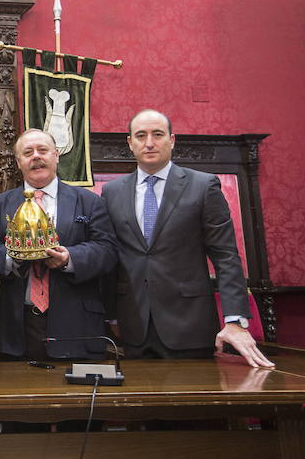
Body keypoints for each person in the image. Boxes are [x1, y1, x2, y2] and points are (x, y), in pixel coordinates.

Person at [100, 109, 273, 367]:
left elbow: (226, 257)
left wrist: (235, 320)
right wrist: (112, 316)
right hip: (133, 327)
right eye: (141, 135)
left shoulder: (203, 186)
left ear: (172, 139)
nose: (149, 143)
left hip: (189, 326)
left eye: (157, 134)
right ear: (130, 143)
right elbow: (111, 257)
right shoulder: (111, 191)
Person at [0, 129, 118, 361]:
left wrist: (69, 258)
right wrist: (11, 258)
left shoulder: (89, 202)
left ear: (56, 155)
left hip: (77, 326)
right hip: (17, 329)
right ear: (18, 162)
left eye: (42, 150)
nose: (36, 156)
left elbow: (108, 250)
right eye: (28, 152)